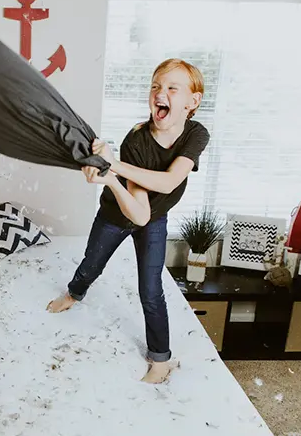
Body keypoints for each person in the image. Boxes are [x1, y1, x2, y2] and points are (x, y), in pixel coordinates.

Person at [47, 58, 210, 384]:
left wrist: (113, 166)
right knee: (92, 264)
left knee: (151, 290)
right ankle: (74, 294)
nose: (160, 93)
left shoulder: (196, 134)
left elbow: (166, 185)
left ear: (192, 102)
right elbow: (137, 211)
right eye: (155, 86)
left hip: (154, 217)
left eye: (171, 88)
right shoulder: (136, 140)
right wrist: (109, 179)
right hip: (117, 213)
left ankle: (160, 359)